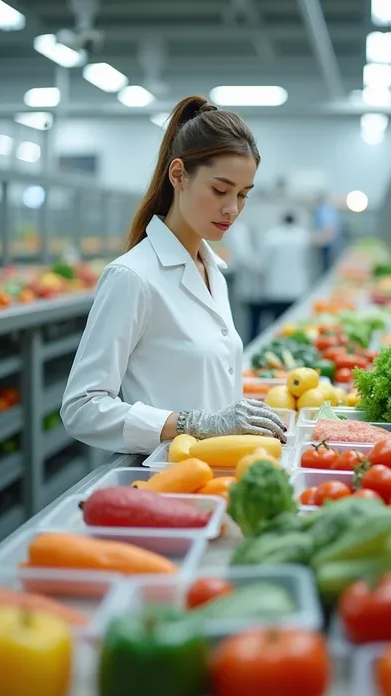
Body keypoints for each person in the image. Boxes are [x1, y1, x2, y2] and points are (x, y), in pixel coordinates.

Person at [61, 95, 286, 454]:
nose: (232, 209)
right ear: (178, 175)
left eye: (243, 195)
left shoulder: (213, 271)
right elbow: (82, 408)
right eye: (219, 190)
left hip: (219, 474)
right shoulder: (133, 277)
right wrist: (191, 424)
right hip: (168, 478)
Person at [256, 211, 311, 331]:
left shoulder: (272, 236)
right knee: (294, 323)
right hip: (296, 288)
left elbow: (263, 264)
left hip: (275, 289)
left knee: (276, 325)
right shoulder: (302, 236)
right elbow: (306, 262)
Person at [313, 193, 344, 274]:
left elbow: (329, 226)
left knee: (328, 267)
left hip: (328, 243)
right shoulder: (327, 209)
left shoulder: (324, 210)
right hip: (329, 242)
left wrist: (322, 239)